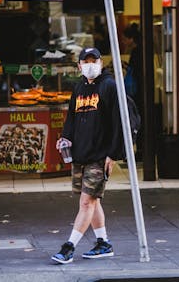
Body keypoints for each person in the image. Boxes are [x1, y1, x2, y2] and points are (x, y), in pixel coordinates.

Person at [51, 47, 123, 264]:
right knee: (93, 201)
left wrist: (113, 154)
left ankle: (69, 247)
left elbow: (119, 122)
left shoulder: (110, 86)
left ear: (101, 63)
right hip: (80, 154)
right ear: (79, 65)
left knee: (86, 202)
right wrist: (65, 137)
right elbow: (72, 118)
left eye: (95, 60)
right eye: (86, 61)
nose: (90, 64)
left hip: (100, 155)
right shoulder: (79, 88)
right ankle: (103, 243)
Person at [123, 23, 144, 157]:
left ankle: (140, 150)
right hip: (140, 90)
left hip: (137, 92)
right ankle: (139, 149)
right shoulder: (140, 50)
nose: (124, 41)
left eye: (125, 38)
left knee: (136, 119)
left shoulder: (136, 51)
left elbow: (135, 71)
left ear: (131, 39)